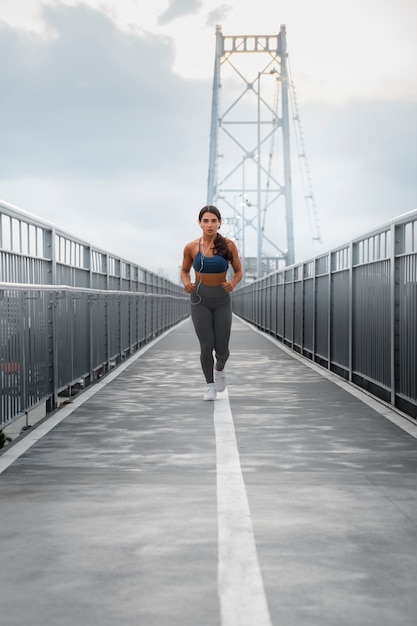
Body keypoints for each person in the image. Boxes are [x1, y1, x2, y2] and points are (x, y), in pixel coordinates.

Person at [181, 205, 243, 400]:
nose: (209, 224)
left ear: (219, 223)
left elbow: (239, 271)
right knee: (206, 344)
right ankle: (209, 386)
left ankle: (219, 368)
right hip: (200, 299)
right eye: (205, 221)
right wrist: (186, 283)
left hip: (222, 300)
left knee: (222, 349)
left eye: (213, 221)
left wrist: (232, 283)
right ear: (199, 223)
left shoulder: (229, 245)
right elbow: (184, 270)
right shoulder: (191, 247)